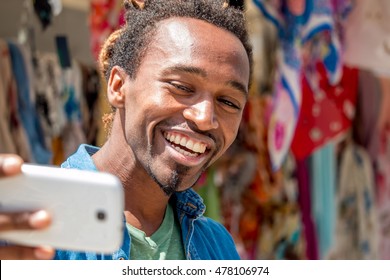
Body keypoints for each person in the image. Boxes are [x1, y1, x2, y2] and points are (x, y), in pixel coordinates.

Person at [0, 0, 253, 260]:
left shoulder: (218, 246)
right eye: (181, 87)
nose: (204, 118)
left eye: (228, 102)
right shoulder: (29, 227)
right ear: (119, 86)